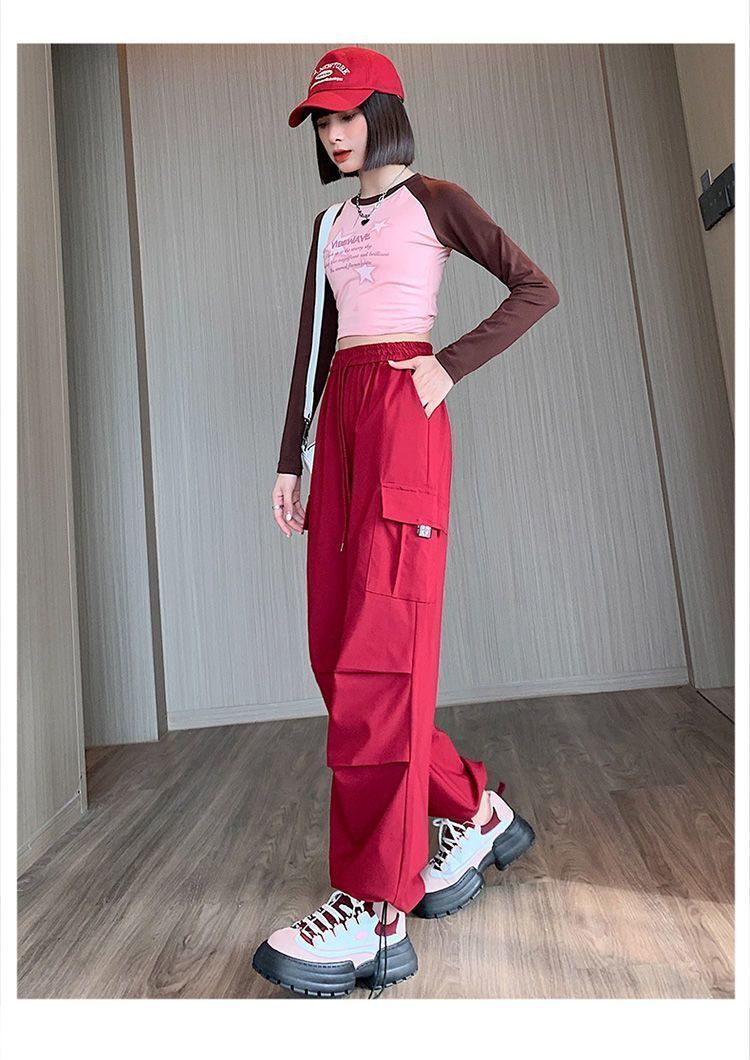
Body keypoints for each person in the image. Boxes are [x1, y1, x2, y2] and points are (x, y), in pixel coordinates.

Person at [253, 45, 559, 999]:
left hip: (402, 415)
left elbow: (534, 287)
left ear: (384, 111)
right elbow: (311, 349)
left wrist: (446, 365)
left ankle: (373, 911)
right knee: (337, 658)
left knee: (383, 663)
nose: (335, 133)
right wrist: (292, 458)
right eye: (323, 120)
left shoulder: (436, 200)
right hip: (339, 423)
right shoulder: (326, 225)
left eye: (347, 114)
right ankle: (474, 811)